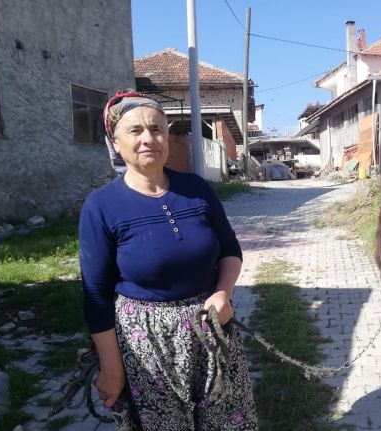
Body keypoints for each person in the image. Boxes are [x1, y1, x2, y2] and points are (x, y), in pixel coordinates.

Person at [79, 90, 258, 430]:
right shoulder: (101, 206)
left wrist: (223, 293)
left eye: (156, 128)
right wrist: (111, 366)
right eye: (135, 130)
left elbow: (230, 250)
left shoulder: (197, 189)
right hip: (147, 345)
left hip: (211, 330)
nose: (148, 138)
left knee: (229, 422)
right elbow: (96, 295)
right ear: (115, 142)